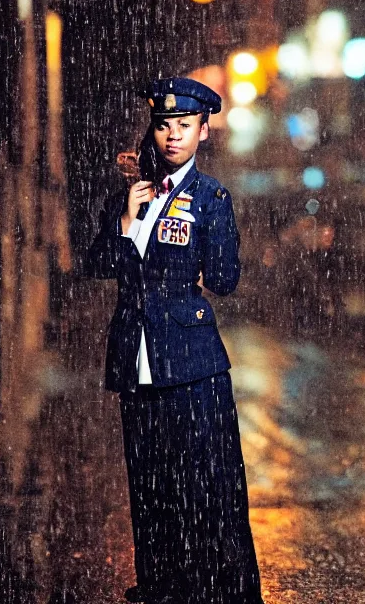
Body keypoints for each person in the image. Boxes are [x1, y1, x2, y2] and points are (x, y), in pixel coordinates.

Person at [86, 77, 263, 604]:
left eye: (184, 127)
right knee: (150, 488)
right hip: (136, 364)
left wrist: (192, 276)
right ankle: (163, 587)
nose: (172, 137)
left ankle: (222, 591)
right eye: (164, 126)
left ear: (203, 132)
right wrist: (126, 221)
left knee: (209, 490)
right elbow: (98, 265)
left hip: (192, 367)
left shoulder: (212, 198)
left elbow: (226, 278)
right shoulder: (130, 194)